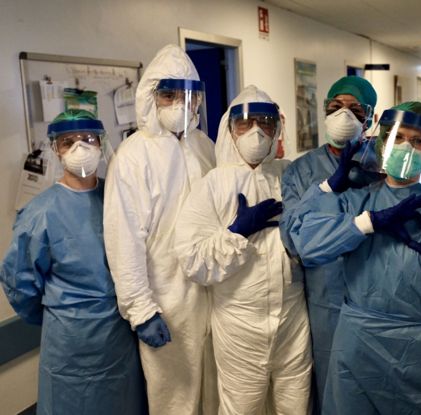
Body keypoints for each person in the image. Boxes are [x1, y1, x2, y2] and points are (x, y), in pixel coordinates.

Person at [288, 101, 421, 414]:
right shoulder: (359, 199)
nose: (407, 147)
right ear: (381, 144)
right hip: (358, 342)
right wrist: (368, 222)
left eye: (418, 141)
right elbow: (304, 242)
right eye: (398, 137)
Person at [173, 85, 312, 415]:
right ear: (229, 129)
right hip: (240, 322)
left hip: (293, 318)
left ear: (276, 128)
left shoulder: (289, 175)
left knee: (296, 405)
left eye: (264, 122)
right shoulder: (213, 184)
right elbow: (192, 259)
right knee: (241, 408)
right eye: (245, 123)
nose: (255, 132)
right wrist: (237, 233)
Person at [0, 109, 147, 415]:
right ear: (56, 149)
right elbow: (18, 281)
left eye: (88, 139)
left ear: (101, 143)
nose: (80, 148)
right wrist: (61, 315)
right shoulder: (40, 213)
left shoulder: (119, 198)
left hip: (117, 337)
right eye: (68, 142)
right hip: (68, 343)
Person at [103, 44, 217, 415]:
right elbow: (124, 241)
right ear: (151, 97)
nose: (180, 104)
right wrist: (141, 310)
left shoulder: (205, 146)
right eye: (169, 94)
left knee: (213, 392)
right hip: (166, 299)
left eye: (188, 94)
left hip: (213, 292)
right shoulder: (133, 157)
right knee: (174, 398)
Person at [280, 75, 383, 410]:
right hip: (327, 300)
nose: (344, 116)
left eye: (355, 109)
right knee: (332, 387)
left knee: (377, 386)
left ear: (371, 117)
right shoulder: (301, 170)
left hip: (379, 298)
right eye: (335, 107)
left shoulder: (386, 165)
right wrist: (327, 187)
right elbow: (293, 239)